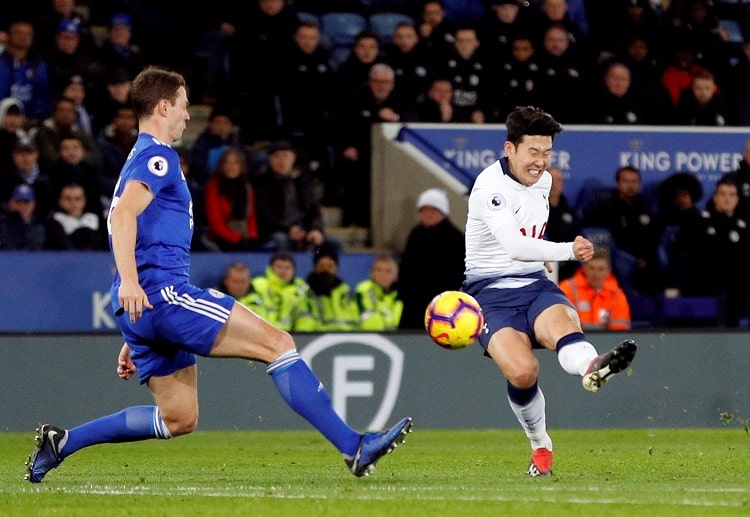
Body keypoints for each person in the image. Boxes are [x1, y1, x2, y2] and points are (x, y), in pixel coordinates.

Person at [24, 66, 412, 484]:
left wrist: (132, 316)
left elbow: (134, 231)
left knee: (179, 417)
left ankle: (62, 443)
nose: (189, 116)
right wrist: (136, 286)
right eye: (185, 107)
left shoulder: (137, 158)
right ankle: (353, 447)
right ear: (164, 106)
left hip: (144, 305)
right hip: (163, 294)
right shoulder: (158, 156)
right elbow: (121, 217)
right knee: (279, 344)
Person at [460, 106, 637, 477]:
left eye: (547, 153)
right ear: (510, 149)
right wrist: (568, 250)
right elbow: (514, 245)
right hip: (489, 293)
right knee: (523, 372)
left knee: (564, 324)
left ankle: (592, 366)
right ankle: (541, 444)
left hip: (535, 284)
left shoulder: (542, 181)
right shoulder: (489, 188)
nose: (541, 163)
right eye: (533, 152)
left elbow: (533, 240)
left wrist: (552, 288)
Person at [398, 187, 465, 329]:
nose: (428, 214)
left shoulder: (454, 238)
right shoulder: (415, 234)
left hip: (443, 306)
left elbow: (459, 273)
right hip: (413, 305)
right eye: (424, 210)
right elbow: (406, 268)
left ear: (442, 212)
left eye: (433, 210)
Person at [203, 145, 261, 251]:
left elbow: (251, 217)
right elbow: (215, 221)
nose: (231, 166)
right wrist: (233, 237)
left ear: (241, 166)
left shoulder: (247, 187)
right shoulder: (213, 187)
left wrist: (252, 236)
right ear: (222, 165)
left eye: (235, 163)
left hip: (243, 234)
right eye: (227, 163)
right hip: (220, 236)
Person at [559, 247, 632, 331]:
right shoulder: (567, 289)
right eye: (592, 268)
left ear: (608, 271)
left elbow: (620, 333)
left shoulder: (617, 295)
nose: (596, 274)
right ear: (584, 268)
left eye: (601, 269)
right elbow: (561, 326)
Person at [297, 241, 361, 331]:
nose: (325, 270)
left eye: (330, 266)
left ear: (336, 268)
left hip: (348, 340)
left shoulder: (346, 294)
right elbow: (304, 325)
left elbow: (357, 323)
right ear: (315, 268)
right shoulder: (306, 294)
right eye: (321, 266)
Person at [249, 251, 310, 331]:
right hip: (263, 334)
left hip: (295, 336)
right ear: (271, 268)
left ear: (293, 270)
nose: (283, 271)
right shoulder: (258, 285)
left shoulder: (302, 289)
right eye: (279, 267)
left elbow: (306, 317)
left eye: (287, 268)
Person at [44, 181, 105, 250]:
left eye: (77, 199)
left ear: (84, 201)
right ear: (60, 201)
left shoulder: (93, 218)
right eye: (68, 199)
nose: (73, 203)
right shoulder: (55, 220)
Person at [356, 252, 403, 331]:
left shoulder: (398, 299)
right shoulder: (364, 290)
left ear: (395, 275)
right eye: (379, 270)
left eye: (388, 271)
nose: (383, 275)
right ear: (372, 273)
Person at [0, 183, 46, 249]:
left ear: (33, 205)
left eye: (26, 203)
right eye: (18, 202)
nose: (22, 207)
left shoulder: (39, 225)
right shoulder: (2, 225)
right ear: (10, 204)